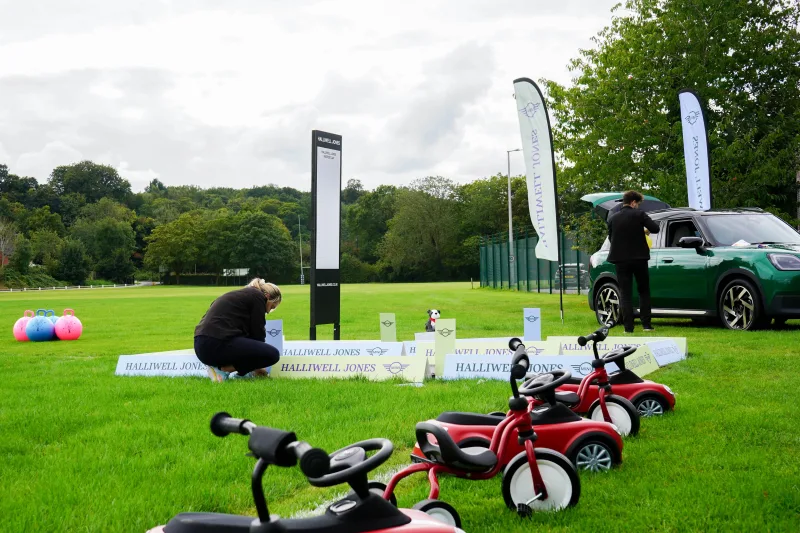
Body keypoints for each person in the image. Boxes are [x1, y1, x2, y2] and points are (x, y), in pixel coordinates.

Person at [194, 278, 282, 381]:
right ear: (267, 297)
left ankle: (222, 369)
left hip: (201, 347)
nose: (268, 311)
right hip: (217, 343)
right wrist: (256, 366)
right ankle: (223, 370)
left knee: (246, 344)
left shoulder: (236, 296)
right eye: (272, 307)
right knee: (272, 354)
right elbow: (258, 335)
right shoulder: (258, 296)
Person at [606, 190, 660, 333]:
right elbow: (655, 228)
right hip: (639, 258)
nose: (638, 206)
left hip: (620, 260)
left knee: (625, 293)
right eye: (638, 204)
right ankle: (646, 325)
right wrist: (644, 231)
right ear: (633, 202)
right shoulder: (640, 214)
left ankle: (628, 328)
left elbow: (612, 238)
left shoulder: (613, 218)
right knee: (643, 291)